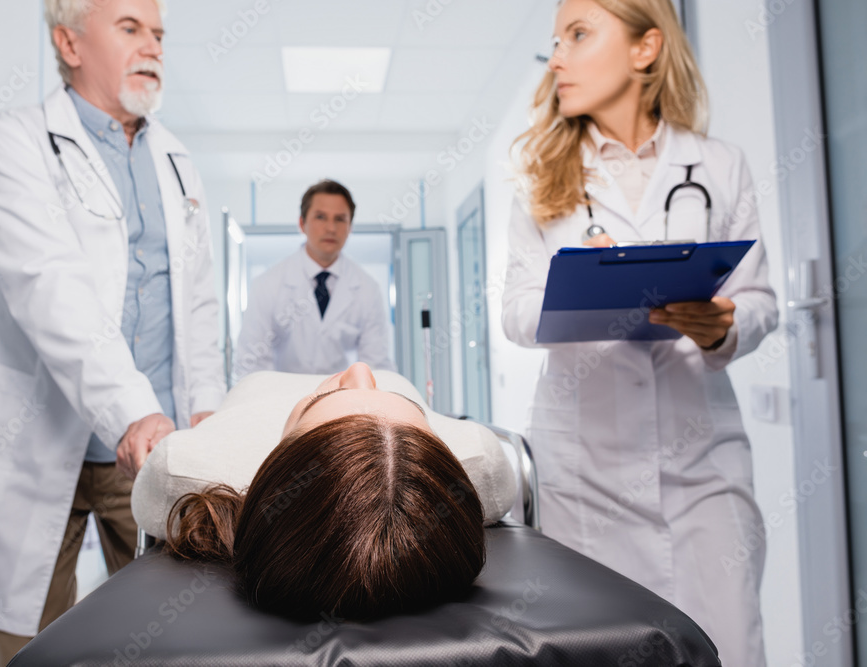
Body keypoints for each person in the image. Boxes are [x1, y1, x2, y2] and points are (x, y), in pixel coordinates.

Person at [0, 1, 225, 664]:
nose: (151, 45)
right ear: (69, 42)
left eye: (157, 33)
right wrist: (133, 410)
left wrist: (204, 404)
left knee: (165, 633)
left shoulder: (176, 159)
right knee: (27, 641)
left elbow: (199, 301)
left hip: (153, 445)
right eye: (129, 28)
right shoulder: (16, 142)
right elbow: (50, 288)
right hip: (41, 436)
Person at [501, 1, 777, 665]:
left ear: (644, 48)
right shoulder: (542, 181)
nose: (557, 57)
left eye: (578, 35)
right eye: (555, 40)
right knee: (606, 647)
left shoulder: (719, 165)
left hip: (701, 463)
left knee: (728, 643)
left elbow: (760, 299)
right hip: (587, 468)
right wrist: (586, 292)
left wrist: (720, 329)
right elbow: (514, 309)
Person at [131, 363, 517, 618]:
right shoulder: (476, 460)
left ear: (275, 455)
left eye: (320, 401)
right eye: (408, 406)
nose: (361, 370)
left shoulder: (182, 466)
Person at [234, 179, 395, 380]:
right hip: (281, 401)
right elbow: (253, 364)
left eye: (340, 219)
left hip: (340, 401)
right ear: (302, 223)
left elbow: (376, 364)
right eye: (320, 217)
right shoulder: (267, 284)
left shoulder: (367, 288)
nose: (331, 228)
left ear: (350, 226)